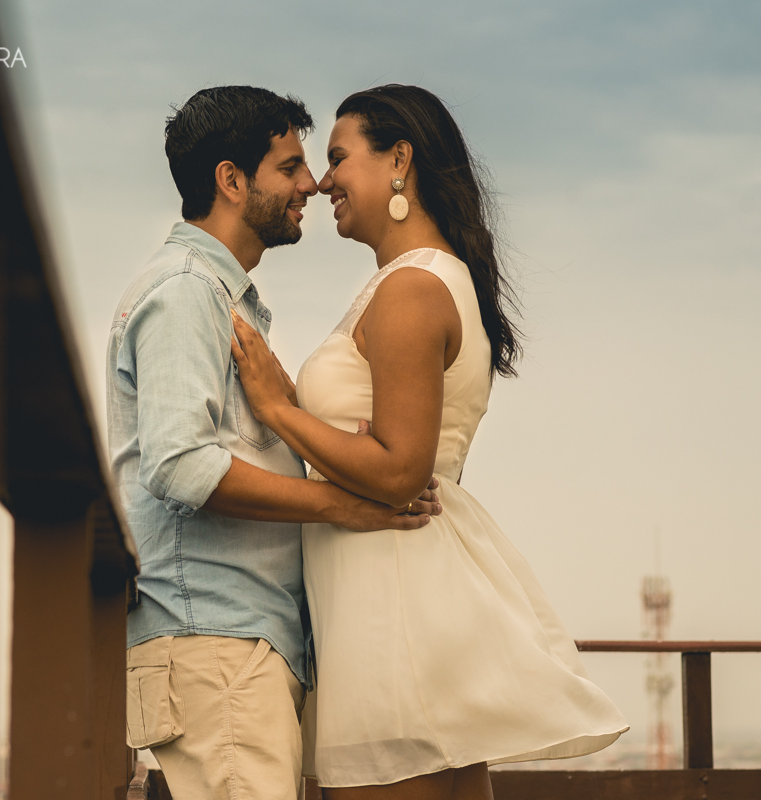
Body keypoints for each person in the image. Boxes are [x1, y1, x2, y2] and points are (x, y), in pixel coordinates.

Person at [230, 84, 628, 800]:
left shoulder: (412, 290)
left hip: (392, 608)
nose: (322, 181)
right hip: (401, 594)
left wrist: (277, 409)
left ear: (399, 161)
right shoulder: (412, 282)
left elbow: (400, 470)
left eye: (339, 158)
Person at [107, 85, 442, 800]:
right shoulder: (186, 291)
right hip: (213, 642)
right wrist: (342, 507)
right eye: (289, 168)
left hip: (238, 644)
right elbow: (180, 465)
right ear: (231, 180)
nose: (311, 185)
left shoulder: (220, 296)